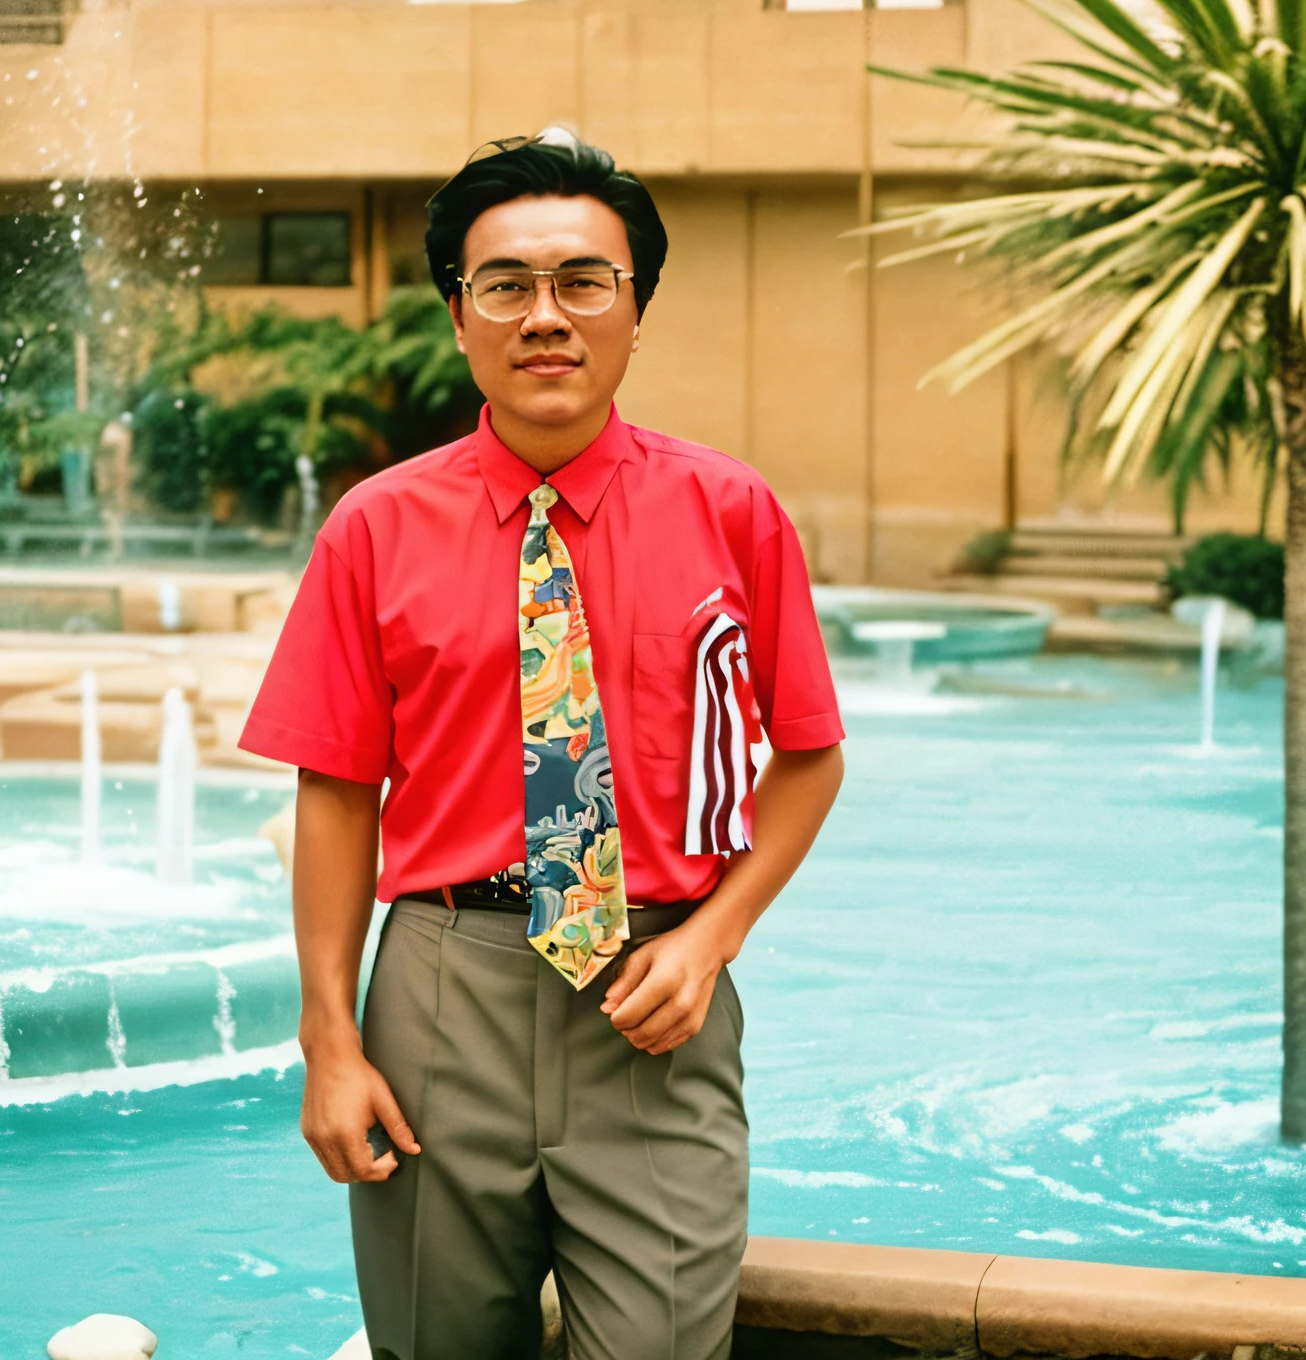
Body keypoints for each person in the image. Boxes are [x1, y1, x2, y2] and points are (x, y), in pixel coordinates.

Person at [239, 128, 846, 1360]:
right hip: (439, 991)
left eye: (583, 281)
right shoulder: (374, 527)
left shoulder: (730, 512)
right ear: (458, 318)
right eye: (503, 285)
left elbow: (809, 752)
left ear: (636, 308)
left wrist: (715, 937)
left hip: (652, 999)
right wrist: (329, 1041)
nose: (544, 317)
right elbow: (338, 791)